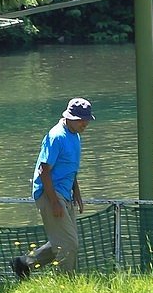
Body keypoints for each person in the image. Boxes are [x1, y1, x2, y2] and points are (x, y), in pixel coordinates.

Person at [11, 97, 95, 278]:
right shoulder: (56, 136)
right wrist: (54, 202)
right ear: (70, 117)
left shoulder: (75, 135)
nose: (85, 123)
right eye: (81, 120)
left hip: (64, 193)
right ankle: (66, 286)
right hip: (50, 193)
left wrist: (77, 192)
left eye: (87, 119)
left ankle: (24, 263)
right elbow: (44, 170)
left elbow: (69, 167)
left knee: (63, 240)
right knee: (69, 244)